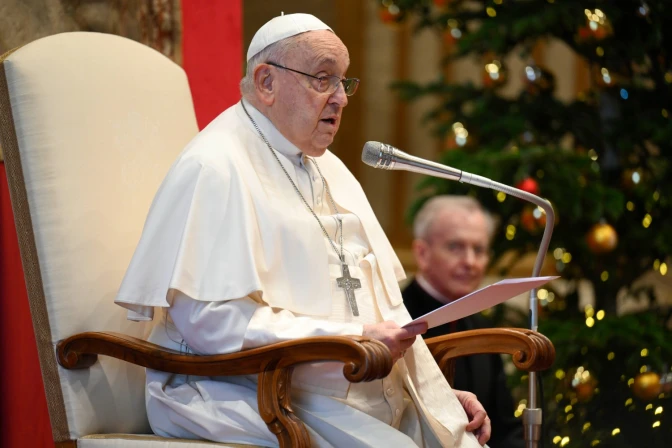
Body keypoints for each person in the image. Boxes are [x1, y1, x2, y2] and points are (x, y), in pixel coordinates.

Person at [114, 13, 490, 448]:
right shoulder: (214, 166)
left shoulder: (327, 168)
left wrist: (436, 397)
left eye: (343, 82)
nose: (340, 100)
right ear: (266, 82)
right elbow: (210, 324)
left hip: (339, 381)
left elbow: (381, 306)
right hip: (234, 391)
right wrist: (352, 339)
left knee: (458, 438)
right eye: (323, 79)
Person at [402, 195, 524, 448]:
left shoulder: (482, 327)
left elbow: (505, 427)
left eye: (478, 250)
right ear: (422, 253)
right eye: (456, 247)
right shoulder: (396, 320)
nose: (470, 262)